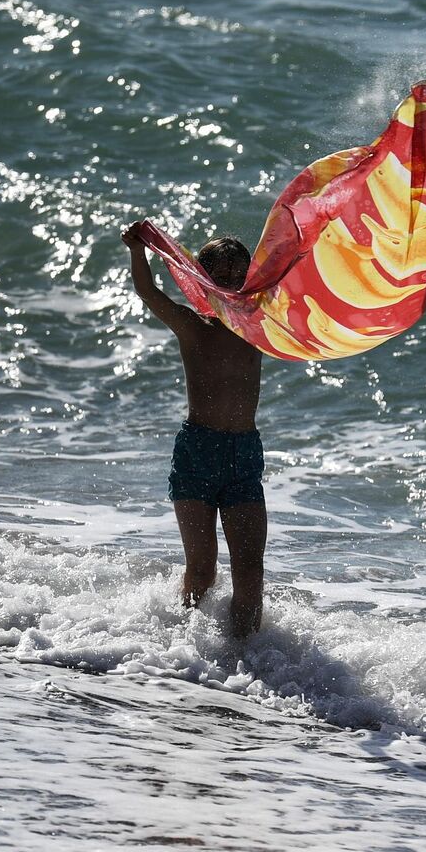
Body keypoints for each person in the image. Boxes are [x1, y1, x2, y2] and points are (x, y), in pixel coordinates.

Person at [120, 220, 267, 637]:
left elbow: (299, 287)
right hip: (197, 452)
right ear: (201, 280)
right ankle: (181, 652)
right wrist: (136, 250)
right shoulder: (190, 325)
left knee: (250, 575)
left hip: (244, 456)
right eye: (218, 274)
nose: (228, 281)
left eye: (237, 273)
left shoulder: (260, 327)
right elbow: (148, 292)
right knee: (201, 570)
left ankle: (246, 660)